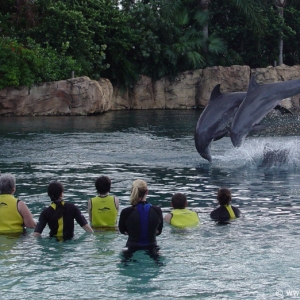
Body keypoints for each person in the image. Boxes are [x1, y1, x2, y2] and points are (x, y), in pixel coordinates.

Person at [118, 179, 163, 250]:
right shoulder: (157, 210)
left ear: (131, 192)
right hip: (152, 247)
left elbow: (122, 231)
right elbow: (158, 232)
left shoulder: (126, 212)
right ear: (147, 192)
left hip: (131, 247)